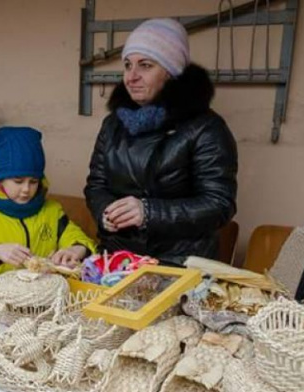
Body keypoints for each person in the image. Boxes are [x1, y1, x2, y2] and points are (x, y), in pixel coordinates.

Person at [84, 18, 238, 265]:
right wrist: (104, 213)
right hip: (118, 260)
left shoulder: (207, 129)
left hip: (179, 264)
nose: (131, 77)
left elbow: (219, 204)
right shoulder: (113, 124)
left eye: (145, 65)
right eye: (127, 65)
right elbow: (96, 184)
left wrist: (149, 212)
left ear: (171, 71)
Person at [0, 127, 96, 295]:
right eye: (18, 181)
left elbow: (77, 238)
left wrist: (77, 249)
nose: (26, 189)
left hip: (41, 301)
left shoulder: (51, 211)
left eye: (33, 181)